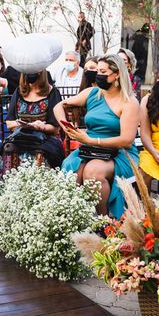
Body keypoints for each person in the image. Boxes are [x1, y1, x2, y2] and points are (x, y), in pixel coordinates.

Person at [57, 54, 140, 218]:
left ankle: (104, 221)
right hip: (90, 148)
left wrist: (91, 140)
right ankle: (75, 219)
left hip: (119, 153)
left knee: (93, 172)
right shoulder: (92, 93)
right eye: (97, 71)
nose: (98, 76)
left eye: (103, 71)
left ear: (117, 74)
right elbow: (59, 105)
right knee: (70, 170)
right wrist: (65, 126)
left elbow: (127, 140)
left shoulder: (129, 102)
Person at [2, 70, 64, 172]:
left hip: (46, 138)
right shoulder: (19, 92)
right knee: (9, 147)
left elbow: (55, 128)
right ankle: (10, 181)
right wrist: (22, 124)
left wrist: (39, 126)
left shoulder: (53, 93)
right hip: (21, 136)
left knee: (41, 152)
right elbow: (9, 123)